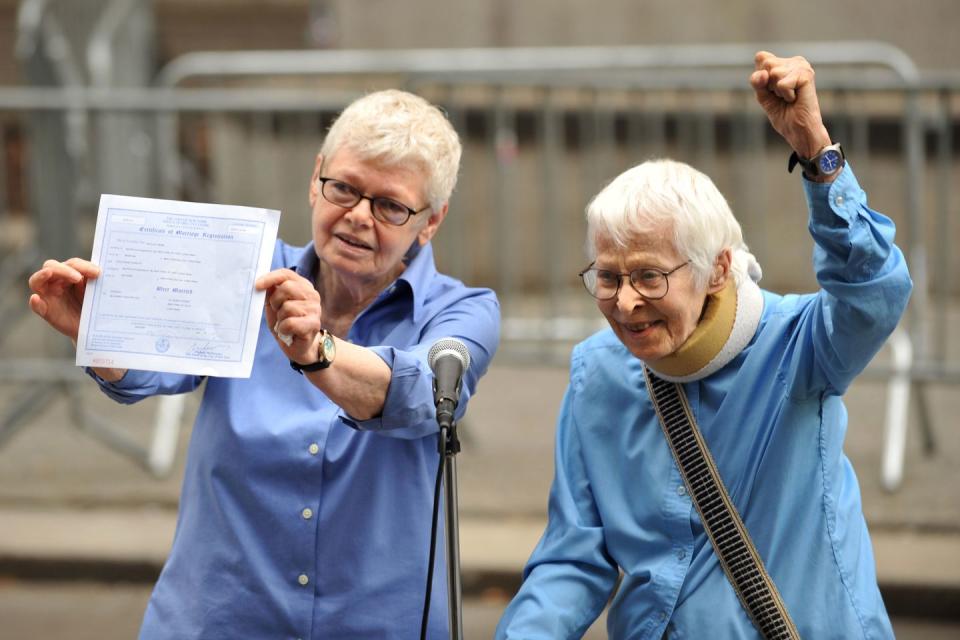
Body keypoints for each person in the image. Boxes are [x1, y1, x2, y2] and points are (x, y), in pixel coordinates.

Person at [28, 90, 500, 639]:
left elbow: (419, 396)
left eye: (390, 205)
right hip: (220, 620)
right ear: (315, 178)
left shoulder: (464, 309)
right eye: (343, 188)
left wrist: (317, 351)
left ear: (431, 221)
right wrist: (102, 333)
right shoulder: (248, 268)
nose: (357, 217)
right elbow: (151, 371)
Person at [495, 51, 910, 639]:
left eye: (649, 276)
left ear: (716, 270)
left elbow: (875, 290)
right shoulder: (598, 373)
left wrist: (818, 154)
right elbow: (574, 557)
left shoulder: (799, 345)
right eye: (607, 277)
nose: (625, 302)